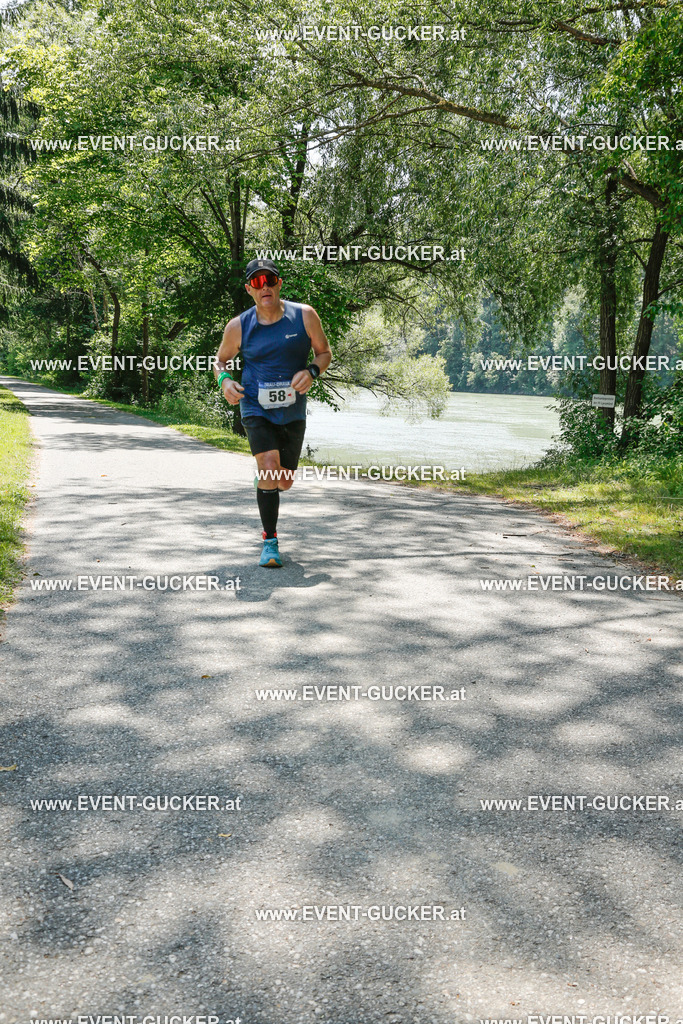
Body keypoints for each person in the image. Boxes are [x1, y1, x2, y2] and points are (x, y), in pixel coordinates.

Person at [214, 258, 332, 567]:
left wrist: (312, 371)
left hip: (293, 410)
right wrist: (225, 380)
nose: (264, 286)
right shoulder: (238, 326)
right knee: (268, 468)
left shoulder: (304, 316)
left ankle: (266, 480)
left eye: (269, 280)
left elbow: (324, 352)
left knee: (284, 481)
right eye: (257, 281)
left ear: (279, 284)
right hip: (255, 405)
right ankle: (270, 541)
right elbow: (220, 361)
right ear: (249, 289)